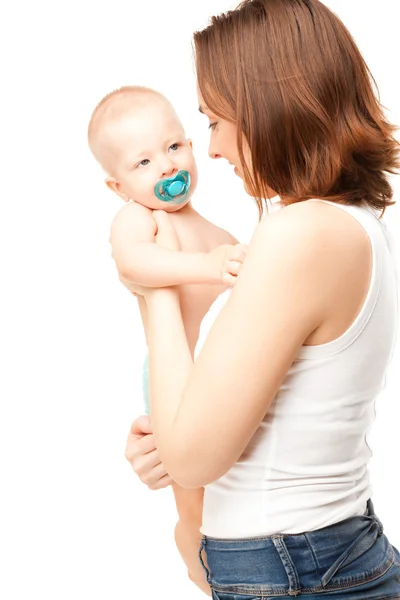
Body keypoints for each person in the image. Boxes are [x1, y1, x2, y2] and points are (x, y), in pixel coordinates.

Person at [123, 0, 400, 598]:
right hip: (314, 556)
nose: (213, 150)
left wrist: (154, 290)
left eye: (216, 122)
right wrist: (172, 450)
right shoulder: (347, 222)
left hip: (295, 567)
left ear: (270, 110)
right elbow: (203, 438)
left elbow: (195, 456)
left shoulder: (303, 232)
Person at [87, 86, 248, 594]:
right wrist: (205, 267)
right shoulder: (140, 220)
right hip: (169, 372)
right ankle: (190, 542)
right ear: (118, 186)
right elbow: (136, 264)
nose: (166, 166)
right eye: (144, 161)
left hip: (217, 370)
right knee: (192, 488)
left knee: (228, 476)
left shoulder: (221, 235)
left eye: (174, 146)